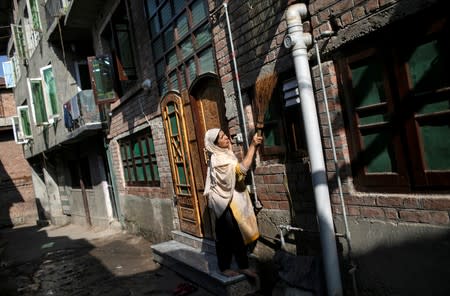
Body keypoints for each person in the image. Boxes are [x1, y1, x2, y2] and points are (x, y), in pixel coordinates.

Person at [203, 128, 263, 278]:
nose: (226, 138)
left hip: (229, 200)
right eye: (222, 138)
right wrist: (252, 146)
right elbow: (241, 171)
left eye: (225, 135)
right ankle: (225, 267)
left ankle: (242, 266)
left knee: (235, 234)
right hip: (223, 202)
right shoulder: (218, 160)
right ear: (215, 144)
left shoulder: (224, 153)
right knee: (227, 235)